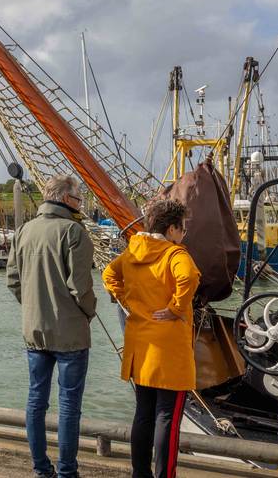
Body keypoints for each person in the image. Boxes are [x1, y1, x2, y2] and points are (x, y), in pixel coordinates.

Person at [102, 198, 200, 478]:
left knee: (143, 412)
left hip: (140, 344)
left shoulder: (133, 252)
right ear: (171, 230)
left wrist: (126, 300)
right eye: (182, 229)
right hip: (169, 347)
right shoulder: (175, 255)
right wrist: (175, 308)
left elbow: (109, 274)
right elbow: (189, 278)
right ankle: (164, 475)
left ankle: (140, 473)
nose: (183, 235)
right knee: (167, 416)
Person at [7, 175, 97, 478]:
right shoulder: (74, 232)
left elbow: (13, 281)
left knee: (36, 400)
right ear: (65, 198)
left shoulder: (23, 231)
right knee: (69, 406)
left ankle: (41, 470)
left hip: (35, 329)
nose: (81, 204)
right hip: (70, 332)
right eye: (78, 198)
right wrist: (89, 312)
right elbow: (81, 287)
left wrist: (32, 305)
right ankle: (67, 473)